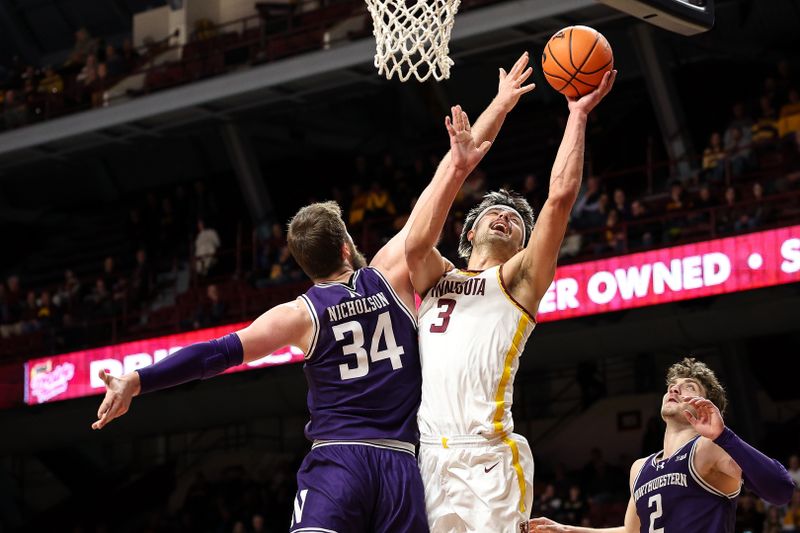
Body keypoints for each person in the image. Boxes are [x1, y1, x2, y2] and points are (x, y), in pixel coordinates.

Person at [92, 53, 536, 533]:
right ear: (348, 246)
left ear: (305, 265)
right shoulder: (385, 275)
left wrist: (137, 381)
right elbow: (445, 180)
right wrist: (499, 106)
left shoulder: (301, 314)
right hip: (401, 467)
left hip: (338, 462)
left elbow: (216, 355)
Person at [405, 65, 616, 531]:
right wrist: (460, 163)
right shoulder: (437, 273)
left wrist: (577, 115)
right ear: (469, 231)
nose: (504, 218)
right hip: (430, 457)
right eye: (494, 213)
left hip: (490, 456)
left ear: (523, 244)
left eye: (515, 221)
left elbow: (559, 198)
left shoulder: (519, 279)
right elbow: (415, 243)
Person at [530, 357, 795, 532]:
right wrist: (565, 529)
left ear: (708, 404)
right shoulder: (640, 468)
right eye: (672, 385)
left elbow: (781, 490)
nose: (674, 389)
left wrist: (724, 436)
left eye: (688, 386)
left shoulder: (707, 448)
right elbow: (630, 531)